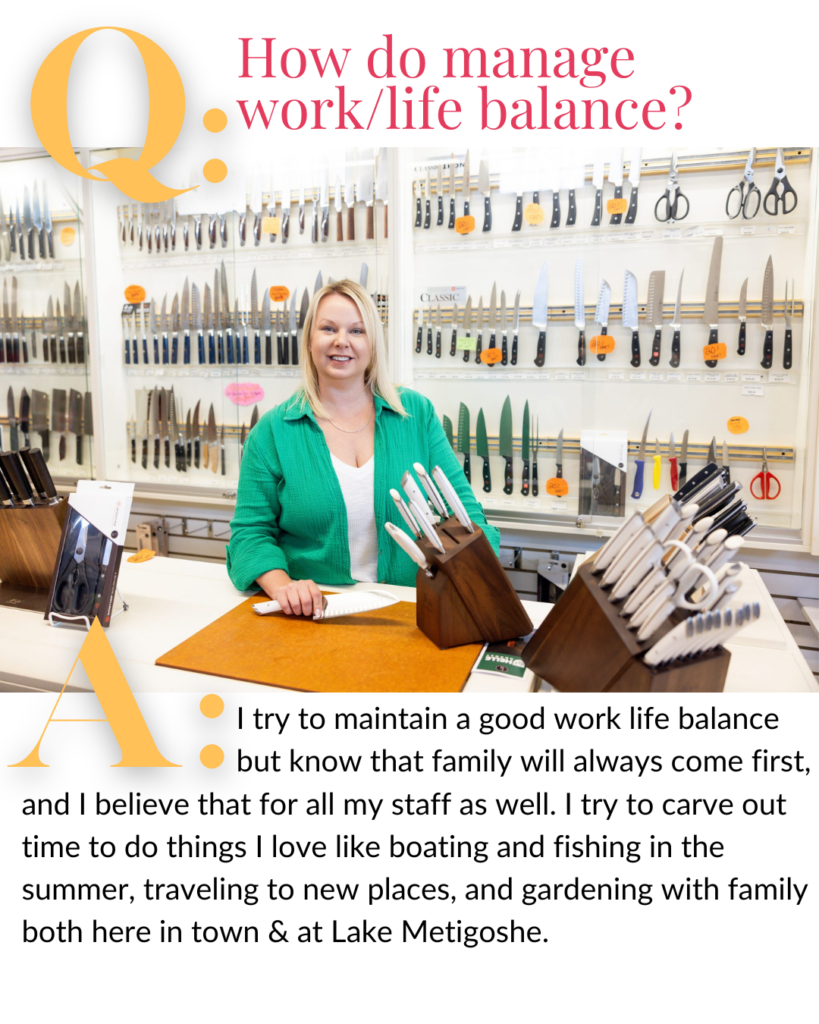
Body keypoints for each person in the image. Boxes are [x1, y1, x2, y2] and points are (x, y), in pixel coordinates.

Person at [227, 279, 500, 615]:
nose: (342, 341)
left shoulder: (415, 415)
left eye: (357, 331)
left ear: (373, 344)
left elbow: (466, 518)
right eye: (328, 328)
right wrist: (285, 587)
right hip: (313, 611)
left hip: (412, 606)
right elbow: (250, 534)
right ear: (310, 340)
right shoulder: (272, 432)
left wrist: (472, 581)